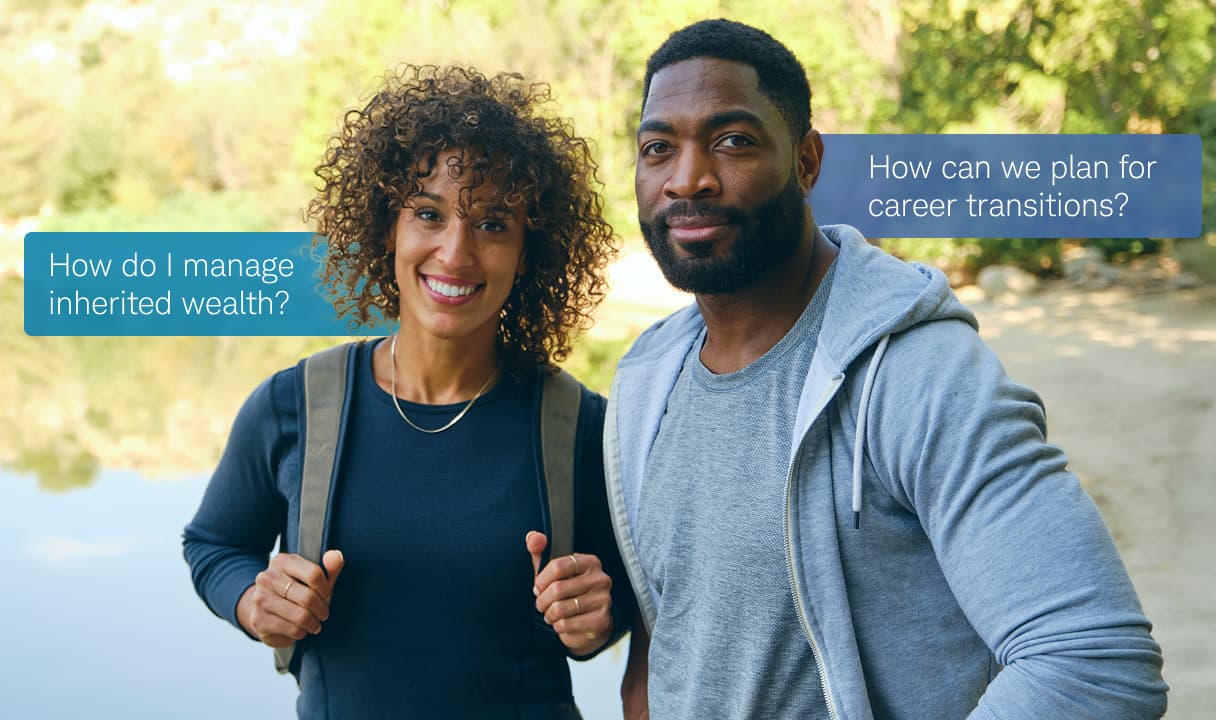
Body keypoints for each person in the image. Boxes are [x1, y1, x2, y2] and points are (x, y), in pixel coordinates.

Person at [608, 19, 1168, 720]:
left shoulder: (919, 373)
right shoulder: (646, 382)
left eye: (734, 141)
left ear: (807, 161)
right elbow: (675, 643)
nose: (688, 178)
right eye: (658, 148)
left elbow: (1095, 663)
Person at [183, 64, 631, 719]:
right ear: (386, 227)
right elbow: (214, 544)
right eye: (428, 213)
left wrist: (597, 621)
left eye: (494, 224)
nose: (455, 252)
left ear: (529, 252)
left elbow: (628, 592)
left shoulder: (579, 426)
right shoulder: (293, 405)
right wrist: (253, 602)